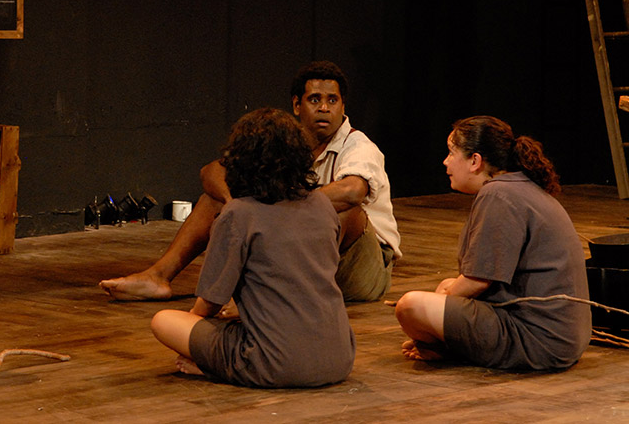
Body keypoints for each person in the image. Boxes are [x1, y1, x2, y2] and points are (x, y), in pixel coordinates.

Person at [101, 60, 400, 302]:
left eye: (332, 100)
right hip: (305, 252)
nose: (324, 108)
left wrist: (282, 210)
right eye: (315, 99)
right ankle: (159, 276)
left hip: (363, 269)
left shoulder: (359, 145)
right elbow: (212, 171)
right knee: (214, 199)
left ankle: (292, 296)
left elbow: (352, 191)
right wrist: (237, 207)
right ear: (297, 105)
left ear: (343, 107)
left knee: (347, 212)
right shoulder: (284, 140)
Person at [150, 108, 355, 387]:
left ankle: (213, 369)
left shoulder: (238, 214)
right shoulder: (321, 204)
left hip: (276, 364)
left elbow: (210, 302)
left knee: (164, 321)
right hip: (339, 358)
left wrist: (195, 338)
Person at [394, 116, 591, 370]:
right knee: (445, 287)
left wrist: (431, 323)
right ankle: (441, 342)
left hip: (538, 341)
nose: (445, 161)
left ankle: (441, 347)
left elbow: (478, 280)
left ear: (475, 161)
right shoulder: (518, 187)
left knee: (411, 306)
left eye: (452, 153)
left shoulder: (498, 193)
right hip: (562, 339)